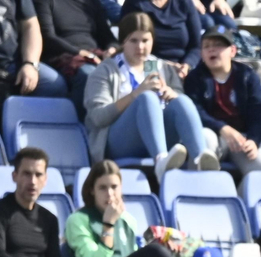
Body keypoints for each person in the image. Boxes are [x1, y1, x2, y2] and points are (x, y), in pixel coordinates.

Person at [83, 12, 208, 172]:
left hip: (160, 135)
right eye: (133, 40)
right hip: (119, 142)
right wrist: (135, 94)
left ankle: (201, 161)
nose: (140, 47)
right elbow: (98, 118)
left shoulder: (159, 66)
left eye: (145, 40)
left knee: (182, 101)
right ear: (123, 41)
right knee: (146, 98)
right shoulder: (106, 70)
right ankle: (161, 161)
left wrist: (171, 94)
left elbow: (179, 103)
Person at [66, 160, 192, 257]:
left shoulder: (127, 219)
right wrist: (108, 224)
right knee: (154, 253)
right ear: (92, 190)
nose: (110, 194)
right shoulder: (79, 219)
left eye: (114, 187)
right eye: (102, 188)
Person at [31, 0, 115, 109]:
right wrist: (83, 53)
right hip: (62, 58)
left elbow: (106, 35)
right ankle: (85, 130)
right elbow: (47, 37)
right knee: (89, 74)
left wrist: (112, 49)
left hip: (95, 57)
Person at [185, 25, 261, 177]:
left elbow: (259, 114)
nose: (211, 50)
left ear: (232, 51)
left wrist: (254, 139)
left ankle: (237, 198)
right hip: (214, 133)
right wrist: (222, 128)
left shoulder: (247, 76)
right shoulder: (194, 78)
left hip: (242, 137)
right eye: (206, 46)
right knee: (205, 140)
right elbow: (194, 112)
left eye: (218, 45)